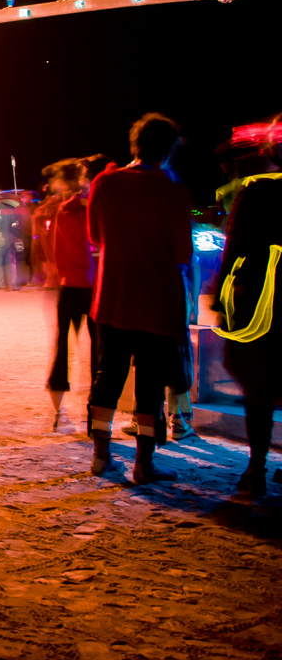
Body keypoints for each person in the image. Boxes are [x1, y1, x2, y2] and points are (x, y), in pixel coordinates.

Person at [86, 113, 193, 484]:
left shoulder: (104, 183)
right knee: (150, 385)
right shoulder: (173, 191)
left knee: (107, 376)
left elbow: (95, 238)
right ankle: (144, 465)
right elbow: (183, 254)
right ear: (168, 151)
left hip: (112, 298)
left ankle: (101, 456)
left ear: (134, 145)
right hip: (157, 303)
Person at [211, 120, 282, 496]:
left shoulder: (255, 191)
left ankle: (256, 468)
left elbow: (233, 248)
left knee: (259, 388)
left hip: (260, 300)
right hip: (263, 298)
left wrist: (220, 298)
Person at [46, 161, 95, 431]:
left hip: (71, 285)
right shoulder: (95, 209)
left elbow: (58, 252)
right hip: (94, 287)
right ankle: (97, 416)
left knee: (62, 347)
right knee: (100, 352)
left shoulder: (66, 209)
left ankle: (60, 412)